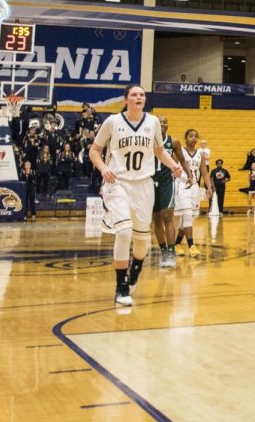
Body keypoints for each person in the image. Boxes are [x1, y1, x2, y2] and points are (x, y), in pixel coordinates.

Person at [89, 84, 183, 306]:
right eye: (134, 95)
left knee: (142, 241)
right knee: (123, 232)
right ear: (126, 100)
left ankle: (135, 271)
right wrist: (103, 168)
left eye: (141, 95)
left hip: (144, 184)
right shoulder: (112, 122)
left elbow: (159, 151)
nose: (139, 97)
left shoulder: (152, 123)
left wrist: (173, 167)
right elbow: (94, 150)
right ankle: (121, 287)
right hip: (118, 182)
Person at [152, 116, 193, 268]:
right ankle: (164, 251)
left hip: (167, 181)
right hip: (149, 182)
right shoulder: (147, 140)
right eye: (159, 122)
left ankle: (171, 252)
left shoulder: (173, 142)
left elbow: (182, 160)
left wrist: (189, 175)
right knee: (156, 219)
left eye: (165, 122)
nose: (162, 124)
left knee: (167, 216)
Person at [174, 129, 211, 257]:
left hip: (194, 187)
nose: (193, 138)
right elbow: (171, 168)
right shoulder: (180, 152)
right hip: (182, 185)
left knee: (187, 218)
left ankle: (176, 244)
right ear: (186, 138)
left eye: (196, 136)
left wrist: (209, 188)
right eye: (190, 136)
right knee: (187, 215)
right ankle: (191, 245)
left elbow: (205, 173)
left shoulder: (200, 154)